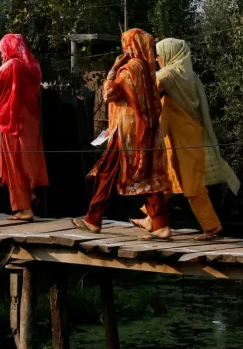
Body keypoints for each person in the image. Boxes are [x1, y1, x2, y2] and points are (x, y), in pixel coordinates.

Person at [131, 38, 241, 240]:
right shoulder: (190, 76)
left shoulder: (168, 75)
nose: (157, 58)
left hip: (181, 137)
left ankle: (211, 227)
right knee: (168, 177)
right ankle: (151, 218)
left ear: (170, 54)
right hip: (185, 134)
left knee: (191, 182)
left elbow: (145, 92)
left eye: (159, 54)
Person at [73, 28, 173, 239]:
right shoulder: (146, 69)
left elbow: (109, 94)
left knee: (108, 171)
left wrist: (113, 68)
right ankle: (161, 225)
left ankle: (93, 219)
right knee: (146, 173)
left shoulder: (128, 69)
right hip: (144, 130)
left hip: (127, 132)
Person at [0, 33, 49, 221]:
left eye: (2, 50)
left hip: (11, 119)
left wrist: (4, 64)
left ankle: (24, 208)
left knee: (11, 162)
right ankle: (29, 195)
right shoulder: (33, 65)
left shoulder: (12, 65)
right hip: (29, 119)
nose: (1, 55)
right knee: (26, 159)